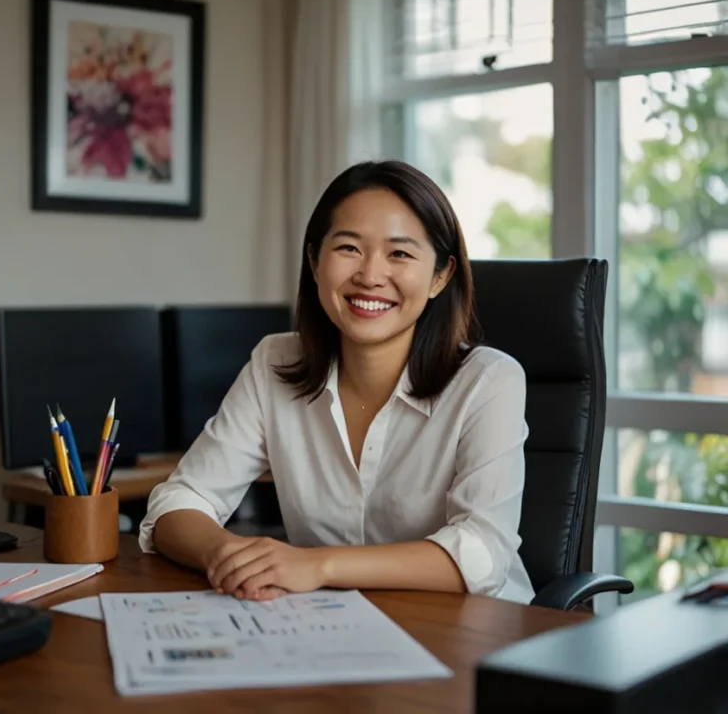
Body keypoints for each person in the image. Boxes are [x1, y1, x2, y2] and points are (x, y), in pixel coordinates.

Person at [139, 160, 534, 604]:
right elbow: (181, 500)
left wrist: (317, 564)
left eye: (400, 254)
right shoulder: (274, 362)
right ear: (314, 260)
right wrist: (229, 555)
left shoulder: (489, 381)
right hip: (326, 626)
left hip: (471, 636)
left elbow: (482, 553)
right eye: (349, 248)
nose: (369, 275)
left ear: (440, 276)